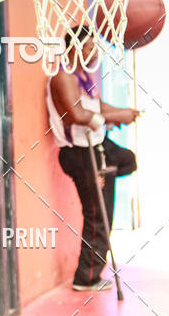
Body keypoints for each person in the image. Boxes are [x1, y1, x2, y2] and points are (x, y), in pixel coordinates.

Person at [47, 27, 139, 292]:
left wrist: (122, 113)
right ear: (74, 48)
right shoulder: (63, 76)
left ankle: (104, 176)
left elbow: (97, 107)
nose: (93, 52)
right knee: (98, 214)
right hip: (80, 152)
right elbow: (77, 115)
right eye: (88, 47)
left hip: (97, 146)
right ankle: (86, 277)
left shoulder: (83, 76)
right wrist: (108, 119)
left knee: (128, 160)